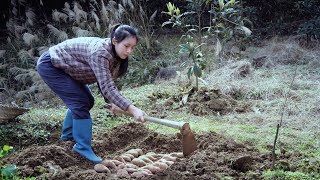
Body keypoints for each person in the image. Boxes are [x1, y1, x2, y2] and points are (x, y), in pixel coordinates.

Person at [36, 24, 146, 164]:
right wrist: (132, 108)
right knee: (80, 102)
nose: (129, 51)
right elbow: (107, 87)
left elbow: (104, 80)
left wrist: (113, 103)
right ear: (114, 41)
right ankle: (82, 147)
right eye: (126, 46)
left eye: (133, 47)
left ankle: (68, 137)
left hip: (68, 68)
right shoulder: (100, 53)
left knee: (88, 101)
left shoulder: (114, 54)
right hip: (52, 65)